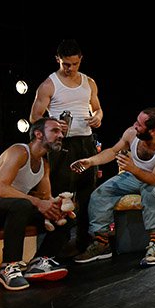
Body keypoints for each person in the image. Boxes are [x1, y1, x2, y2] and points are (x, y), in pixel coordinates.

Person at [0, 118, 73, 291]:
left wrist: (58, 204)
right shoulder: (19, 151)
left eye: (61, 132)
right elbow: (0, 189)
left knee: (63, 215)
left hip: (14, 210)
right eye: (55, 131)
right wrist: (38, 202)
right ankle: (9, 267)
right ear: (38, 134)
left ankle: (40, 260)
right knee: (23, 205)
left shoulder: (44, 165)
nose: (61, 135)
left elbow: (46, 198)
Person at [71, 108, 155, 267]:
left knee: (151, 194)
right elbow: (113, 151)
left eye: (140, 125)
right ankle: (102, 243)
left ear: (153, 131)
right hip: (134, 175)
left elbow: (153, 179)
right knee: (100, 194)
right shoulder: (131, 133)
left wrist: (132, 168)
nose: (135, 125)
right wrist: (90, 161)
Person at [30, 39, 103, 253]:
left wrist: (98, 117)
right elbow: (34, 117)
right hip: (62, 144)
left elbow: (97, 108)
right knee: (62, 193)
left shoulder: (89, 82)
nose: (70, 68)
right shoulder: (49, 84)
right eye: (66, 64)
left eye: (74, 64)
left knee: (87, 192)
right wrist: (53, 123)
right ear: (58, 60)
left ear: (80, 60)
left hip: (86, 141)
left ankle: (83, 240)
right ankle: (57, 242)